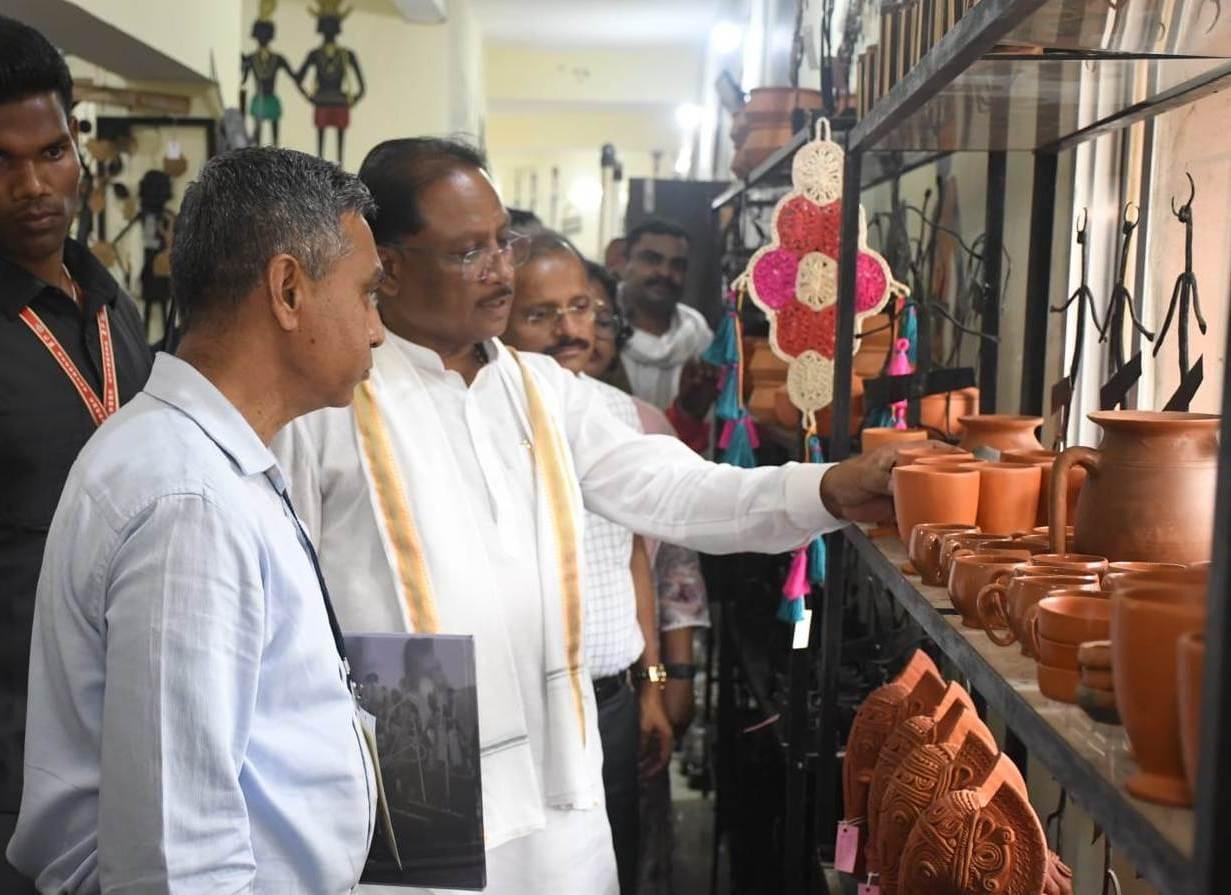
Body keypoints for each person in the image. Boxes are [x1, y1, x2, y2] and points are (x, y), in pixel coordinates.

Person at [274, 136, 905, 895]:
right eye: (469, 251)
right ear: (391, 265)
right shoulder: (328, 401)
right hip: (417, 753)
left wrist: (826, 488)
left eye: (503, 242)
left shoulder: (545, 390)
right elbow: (280, 609)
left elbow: (676, 489)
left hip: (556, 750)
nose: (501, 270)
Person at [8, 147, 386, 892]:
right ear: (287, 290)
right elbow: (178, 860)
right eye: (367, 294)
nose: (376, 329)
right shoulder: (188, 500)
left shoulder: (207, 462)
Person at [0, 18, 154, 889]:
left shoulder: (108, 303)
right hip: (15, 765)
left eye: (52, 152)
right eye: (0, 161)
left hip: (126, 737)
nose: (32, 186)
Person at [502, 230, 674, 893]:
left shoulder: (619, 417)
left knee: (608, 865)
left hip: (609, 700)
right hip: (516, 705)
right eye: (542, 314)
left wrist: (652, 683)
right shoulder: (478, 422)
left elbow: (635, 558)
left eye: (582, 309)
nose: (571, 330)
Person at [617, 218, 717, 426]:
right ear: (625, 262)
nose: (665, 273)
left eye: (677, 265)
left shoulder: (698, 335)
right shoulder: (601, 327)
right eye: (652, 259)